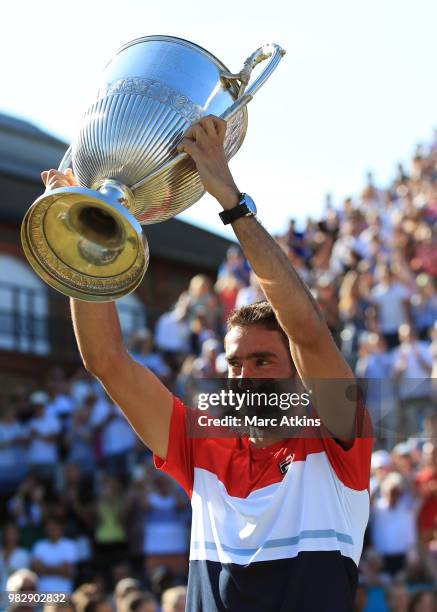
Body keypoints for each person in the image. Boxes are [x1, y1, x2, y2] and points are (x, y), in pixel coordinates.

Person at [43, 115, 372, 611]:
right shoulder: (203, 447)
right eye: (236, 363)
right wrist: (85, 240)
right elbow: (107, 361)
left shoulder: (337, 439)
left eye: (264, 360)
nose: (246, 376)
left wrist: (231, 203)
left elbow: (309, 332)